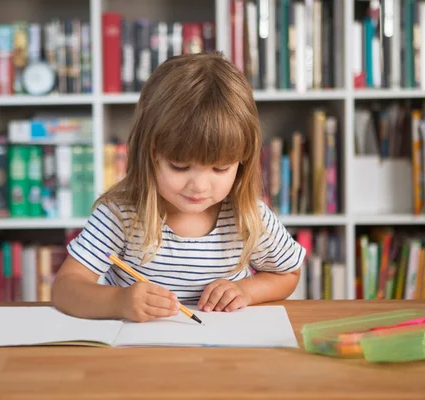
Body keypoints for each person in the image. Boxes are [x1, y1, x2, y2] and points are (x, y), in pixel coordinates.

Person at [52, 52, 305, 322]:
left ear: (242, 162)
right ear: (149, 154)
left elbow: (288, 273)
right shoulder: (121, 215)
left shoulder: (248, 215)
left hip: (223, 357)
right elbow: (66, 288)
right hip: (138, 356)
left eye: (220, 169)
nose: (199, 186)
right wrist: (118, 301)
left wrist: (246, 291)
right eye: (179, 166)